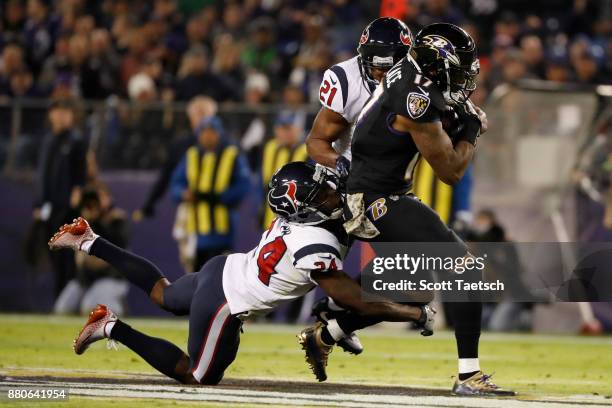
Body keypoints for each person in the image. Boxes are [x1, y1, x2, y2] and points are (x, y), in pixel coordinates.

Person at [48, 162, 435, 385]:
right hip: (226, 300)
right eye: (322, 195)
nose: (332, 193)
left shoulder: (306, 222)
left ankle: (89, 240)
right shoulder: (314, 241)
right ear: (305, 210)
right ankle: (112, 327)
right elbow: (352, 296)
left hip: (226, 268)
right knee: (198, 376)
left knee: (163, 295)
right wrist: (412, 313)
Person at [326, 22, 514, 396]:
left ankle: (329, 328)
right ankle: (468, 376)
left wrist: (457, 111)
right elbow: (450, 171)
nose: (465, 76)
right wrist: (471, 130)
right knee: (464, 269)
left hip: (384, 189)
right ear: (436, 64)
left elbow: (436, 103)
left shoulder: (412, 74)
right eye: (458, 67)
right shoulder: (415, 99)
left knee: (413, 286)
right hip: (375, 199)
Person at [305, 17, 413, 355]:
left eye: (388, 65)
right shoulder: (346, 79)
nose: (380, 73)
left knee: (411, 266)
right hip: (348, 183)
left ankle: (336, 316)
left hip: (390, 184)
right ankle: (335, 314)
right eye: (374, 65)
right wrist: (343, 168)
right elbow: (317, 141)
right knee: (310, 264)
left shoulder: (418, 79)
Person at [170, 115, 250, 272]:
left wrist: (217, 197)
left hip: (222, 227)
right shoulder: (191, 154)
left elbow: (243, 186)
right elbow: (175, 184)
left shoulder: (231, 155)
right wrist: (182, 193)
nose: (207, 136)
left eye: (211, 131)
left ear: (219, 133)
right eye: (203, 132)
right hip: (195, 228)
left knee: (220, 277)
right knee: (194, 276)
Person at [34, 99, 87, 296]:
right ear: (52, 114)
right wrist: (38, 203)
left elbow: (80, 173)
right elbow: (42, 175)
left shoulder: (76, 140)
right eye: (60, 111)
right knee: (52, 255)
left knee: (66, 256)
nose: (64, 116)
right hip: (49, 208)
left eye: (67, 112)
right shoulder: (48, 141)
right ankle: (60, 295)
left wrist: (77, 192)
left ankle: (65, 295)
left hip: (67, 208)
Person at [53, 188, 129, 315]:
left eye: (100, 198)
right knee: (62, 309)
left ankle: (117, 309)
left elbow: (113, 259)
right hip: (85, 280)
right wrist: (74, 209)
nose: (94, 205)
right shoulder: (82, 221)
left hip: (110, 277)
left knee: (90, 307)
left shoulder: (117, 221)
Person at [260, 111, 308, 229]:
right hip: (270, 218)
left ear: (298, 129)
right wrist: (260, 207)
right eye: (280, 128)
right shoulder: (270, 148)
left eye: (287, 128)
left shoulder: (307, 151)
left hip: (296, 221)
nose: (283, 133)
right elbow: (263, 184)